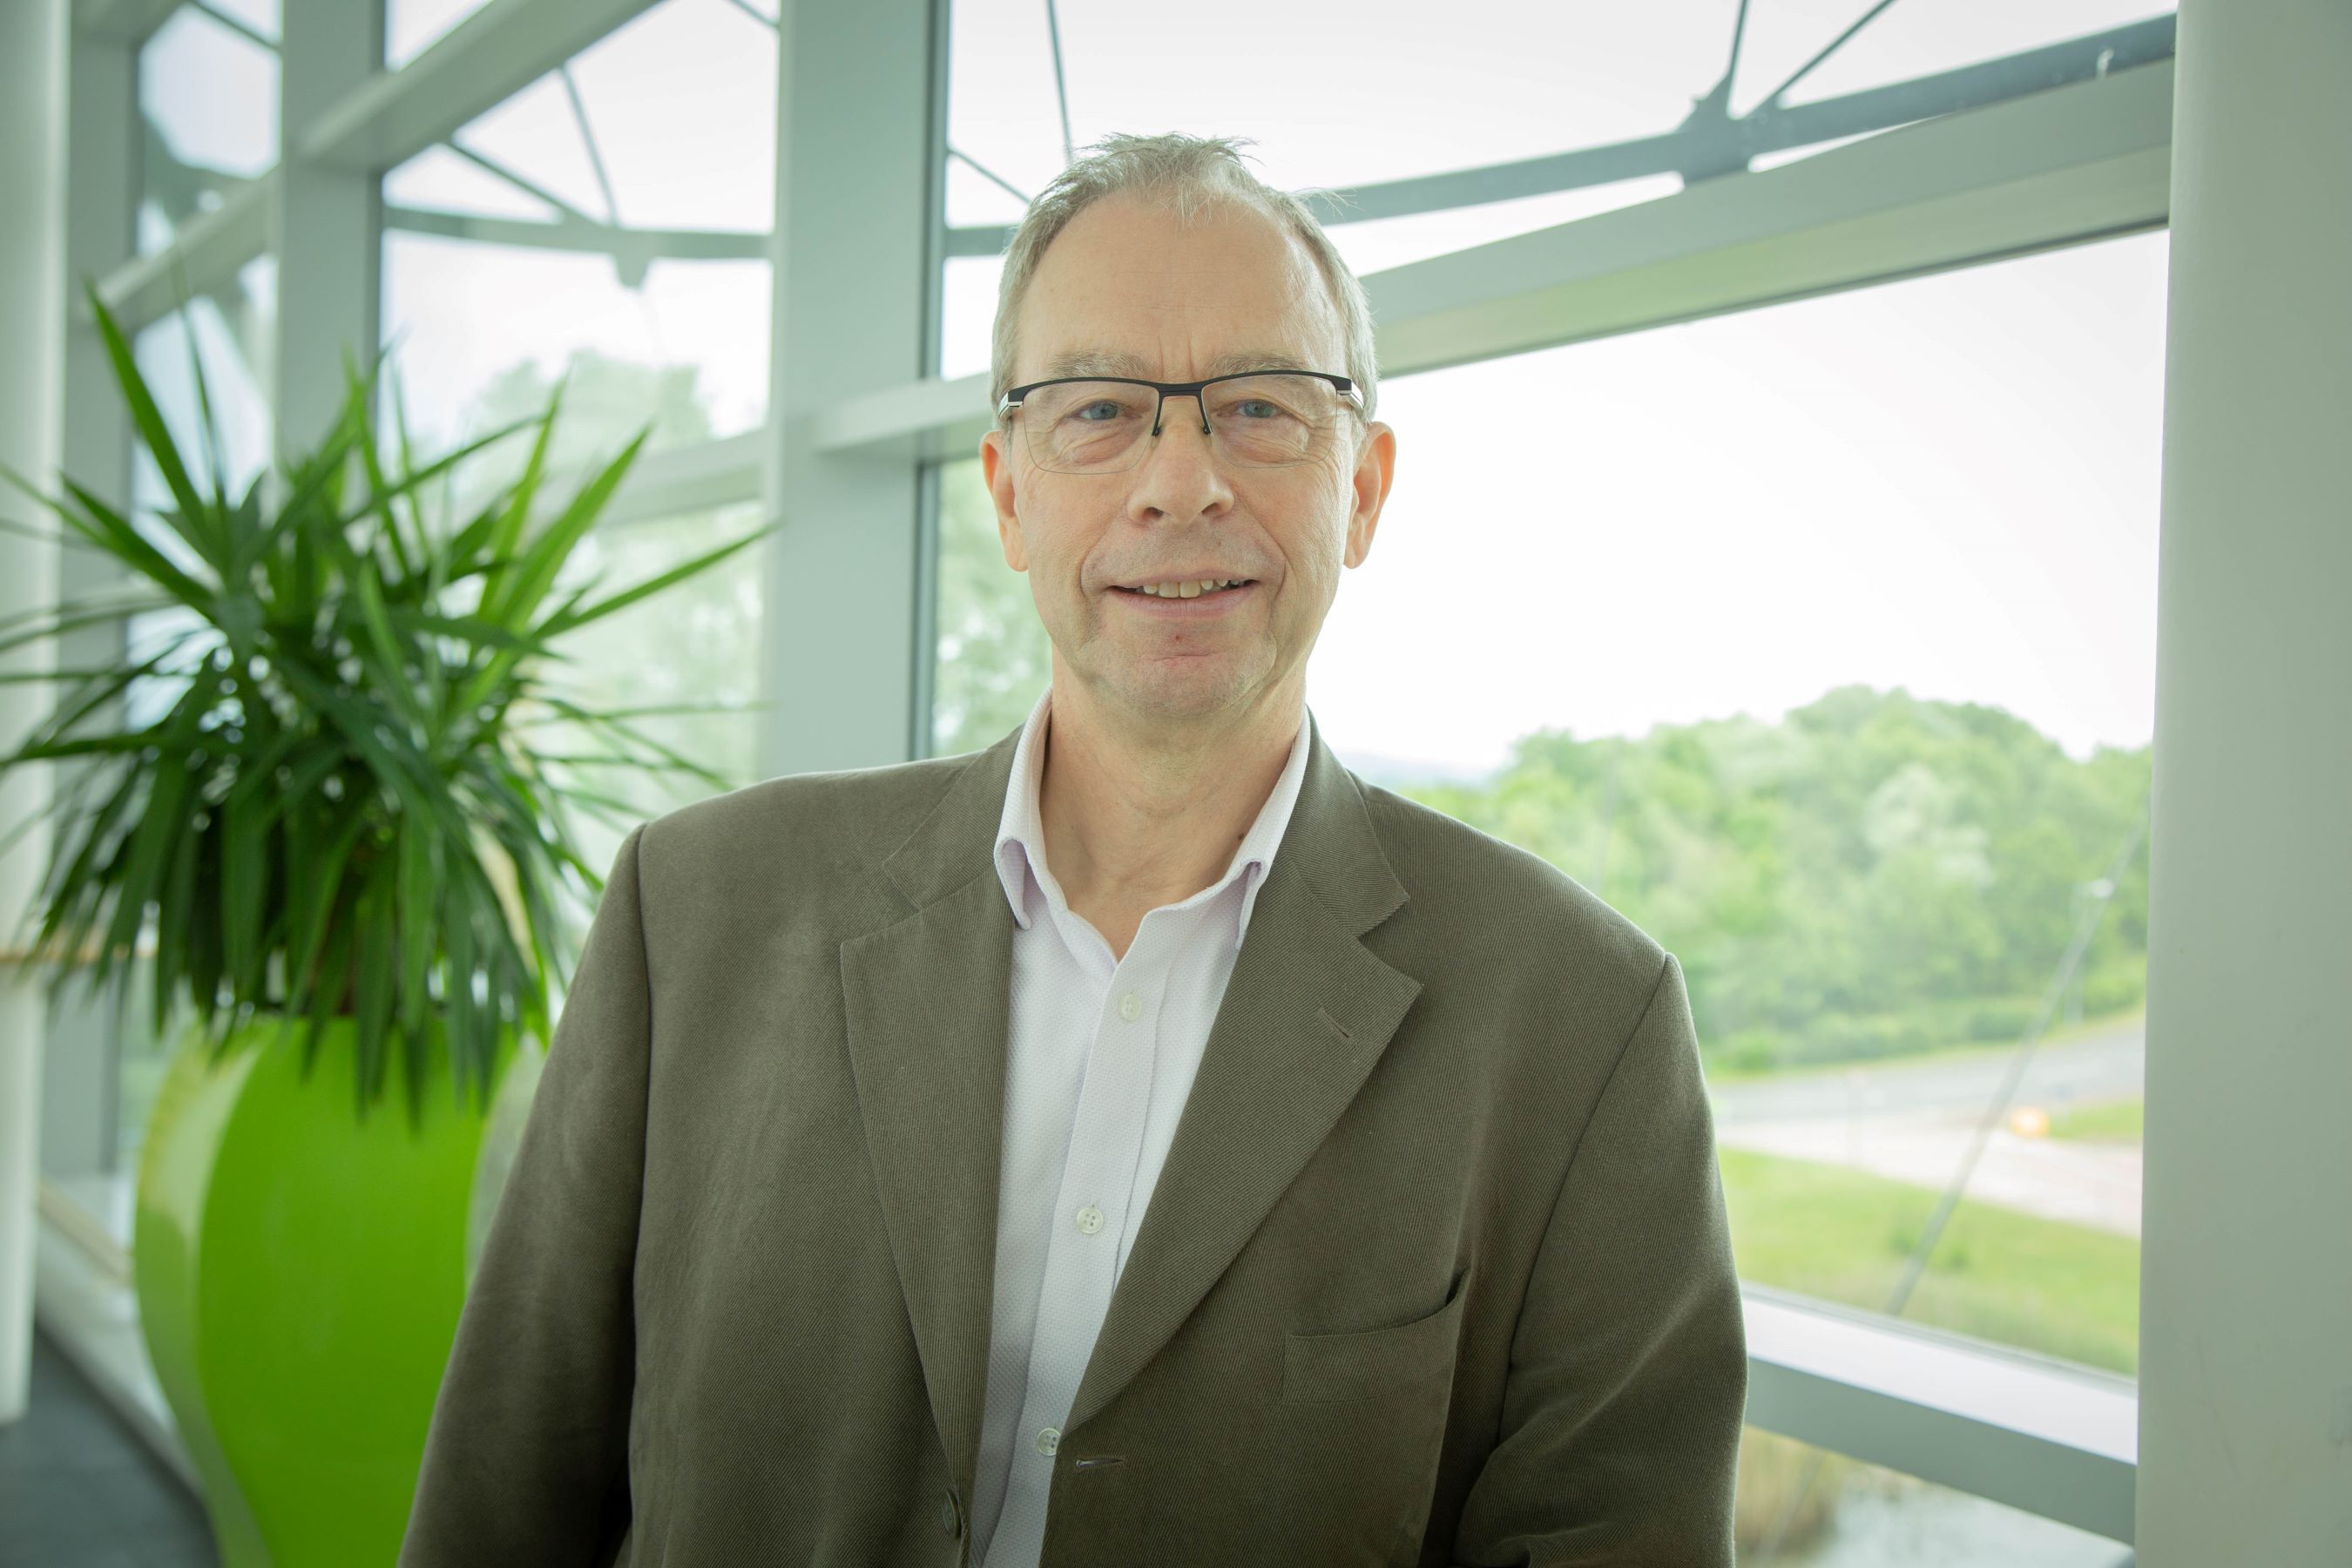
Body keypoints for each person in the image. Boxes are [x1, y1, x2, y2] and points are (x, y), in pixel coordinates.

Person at [399, 131, 1746, 1568]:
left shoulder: (1585, 1023)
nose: (1181, 483)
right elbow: (503, 1498)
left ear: (1363, 490)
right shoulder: (696, 913)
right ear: (1007, 490)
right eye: (1101, 410)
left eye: (1262, 408)